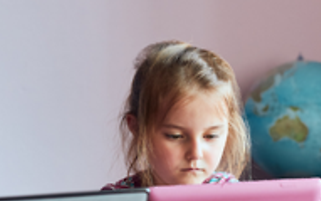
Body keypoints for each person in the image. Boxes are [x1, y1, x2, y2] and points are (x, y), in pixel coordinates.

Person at [103, 40, 250, 190]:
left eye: (211, 136)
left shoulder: (232, 193)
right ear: (137, 128)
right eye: (175, 136)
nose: (195, 153)